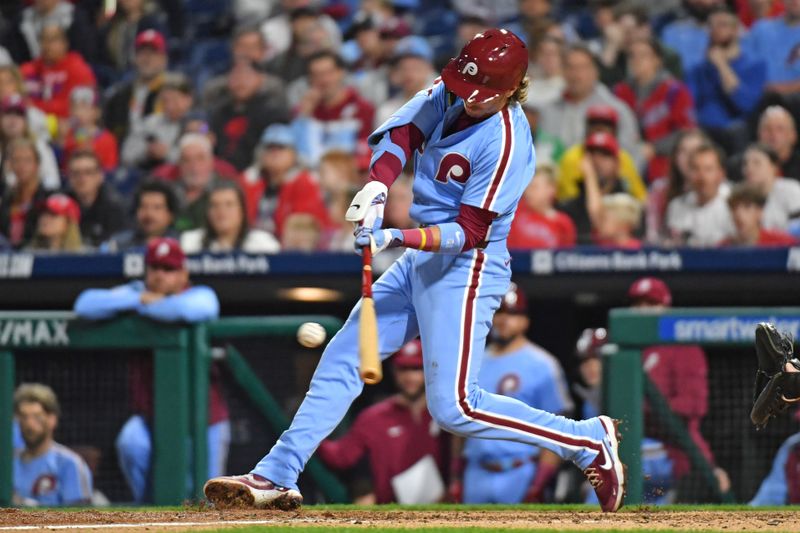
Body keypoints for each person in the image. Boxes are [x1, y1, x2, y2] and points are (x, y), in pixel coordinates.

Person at [204, 28, 626, 514]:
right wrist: (379, 187)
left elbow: (469, 231)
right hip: (423, 258)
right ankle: (277, 472)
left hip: (467, 267)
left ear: (511, 89)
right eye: (465, 87)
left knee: (455, 407)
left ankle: (586, 440)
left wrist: (395, 237)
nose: (466, 99)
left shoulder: (507, 141)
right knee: (344, 354)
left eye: (481, 94)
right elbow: (403, 132)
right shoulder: (456, 87)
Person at [74, 237, 227, 503]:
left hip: (204, 420)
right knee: (130, 442)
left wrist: (146, 304)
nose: (160, 276)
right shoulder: (136, 292)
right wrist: (139, 299)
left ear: (183, 273)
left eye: (168, 270)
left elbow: (197, 309)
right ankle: (148, 509)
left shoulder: (199, 293)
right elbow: (85, 304)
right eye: (154, 268)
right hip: (150, 418)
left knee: (208, 496)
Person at [454, 284, 573, 504]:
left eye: (512, 313)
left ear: (525, 321)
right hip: (476, 471)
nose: (503, 319)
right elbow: (458, 423)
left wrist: (540, 483)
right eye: (498, 312)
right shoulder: (471, 361)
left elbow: (557, 430)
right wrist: (455, 476)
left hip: (522, 470)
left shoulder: (543, 365)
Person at [628, 277, 731, 499]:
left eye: (651, 304)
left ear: (665, 307)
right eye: (638, 304)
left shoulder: (682, 347)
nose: (643, 310)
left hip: (672, 449)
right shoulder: (629, 348)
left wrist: (643, 407)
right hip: (637, 443)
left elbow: (693, 405)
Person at [316, 339, 450, 504]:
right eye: (403, 369)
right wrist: (311, 432)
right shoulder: (374, 417)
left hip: (441, 508)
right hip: (391, 511)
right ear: (394, 371)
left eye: (416, 369)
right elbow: (340, 456)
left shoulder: (445, 413)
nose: (409, 376)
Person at [538, 44, 642, 165]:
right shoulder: (549, 110)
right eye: (570, 67)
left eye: (582, 67)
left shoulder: (616, 110)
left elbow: (631, 157)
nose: (575, 74)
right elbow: (543, 152)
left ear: (595, 72)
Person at [614, 38, 696, 181]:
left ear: (657, 60)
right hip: (627, 159)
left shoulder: (674, 91)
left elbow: (687, 132)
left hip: (665, 162)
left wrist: (655, 148)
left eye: (643, 55)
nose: (637, 60)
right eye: (632, 56)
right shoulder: (621, 92)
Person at [686, 8, 766, 154]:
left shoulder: (755, 65)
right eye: (711, 26)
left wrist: (722, 66)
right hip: (705, 132)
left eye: (722, 25)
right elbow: (690, 107)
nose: (715, 30)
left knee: (737, 130)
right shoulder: (697, 69)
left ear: (736, 30)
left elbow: (745, 105)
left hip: (738, 133)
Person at [238, 124, 330, 242]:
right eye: (270, 147)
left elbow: (305, 227)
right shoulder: (248, 181)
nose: (275, 153)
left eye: (281, 147)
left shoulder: (305, 183)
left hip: (289, 248)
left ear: (293, 153)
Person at [12, 383, 93, 506]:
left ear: (52, 420)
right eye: (24, 417)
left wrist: (24, 504)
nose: (29, 424)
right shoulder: (8, 462)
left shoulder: (70, 464)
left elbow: (81, 520)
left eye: (37, 417)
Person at [292, 51, 375, 169]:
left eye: (328, 73)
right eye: (316, 75)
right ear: (309, 79)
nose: (324, 80)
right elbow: (295, 152)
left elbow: (367, 152)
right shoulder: (304, 110)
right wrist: (304, 116)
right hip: (313, 174)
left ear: (341, 73)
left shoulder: (362, 108)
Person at [208, 57, 289, 171]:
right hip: (219, 172)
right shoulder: (220, 111)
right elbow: (208, 132)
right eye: (235, 76)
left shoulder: (272, 111)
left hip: (256, 172)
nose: (240, 82)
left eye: (246, 76)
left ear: (260, 79)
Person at [557, 105, 646, 204]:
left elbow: (640, 198)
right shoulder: (572, 157)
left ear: (614, 130)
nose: (600, 129)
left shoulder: (623, 157)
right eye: (594, 124)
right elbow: (567, 198)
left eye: (606, 125)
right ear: (587, 128)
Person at [561, 132, 637, 243]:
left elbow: (599, 218)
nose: (597, 161)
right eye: (592, 155)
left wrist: (590, 178)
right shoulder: (569, 209)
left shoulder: (629, 204)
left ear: (617, 164)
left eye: (605, 155)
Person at [20, 24, 96, 121]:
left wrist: (35, 106)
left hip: (67, 125)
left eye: (53, 40)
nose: (47, 45)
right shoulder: (27, 70)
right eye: (43, 39)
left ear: (65, 43)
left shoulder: (78, 69)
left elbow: (76, 108)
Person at [104, 29, 168, 143]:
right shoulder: (120, 96)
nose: (147, 58)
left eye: (153, 53)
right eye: (142, 52)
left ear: (163, 59)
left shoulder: (173, 92)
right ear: (135, 58)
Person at [180, 181, 280, 254]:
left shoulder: (263, 244)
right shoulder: (190, 242)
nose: (221, 211)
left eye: (229, 205)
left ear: (242, 211)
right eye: (214, 205)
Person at [666, 141, 734, 246]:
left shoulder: (734, 205)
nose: (701, 177)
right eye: (695, 169)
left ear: (721, 174)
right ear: (688, 173)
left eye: (708, 169)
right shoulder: (676, 205)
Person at [121, 72, 194, 171]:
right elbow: (126, 155)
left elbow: (199, 159)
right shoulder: (149, 123)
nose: (169, 106)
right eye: (165, 101)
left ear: (188, 99)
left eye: (175, 100)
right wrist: (147, 151)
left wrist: (167, 153)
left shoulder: (197, 121)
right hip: (151, 175)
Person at [3, 0, 97, 64]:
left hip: (67, 71)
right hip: (32, 76)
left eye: (53, 39)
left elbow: (85, 54)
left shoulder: (75, 17)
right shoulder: (21, 21)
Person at [66, 149, 126, 247]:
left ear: (100, 176)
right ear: (69, 178)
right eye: (76, 173)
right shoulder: (61, 206)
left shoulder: (114, 208)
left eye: (88, 172)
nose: (82, 178)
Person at [507, 164, 576, 249]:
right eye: (527, 187)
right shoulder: (515, 212)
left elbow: (566, 257)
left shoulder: (563, 223)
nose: (528, 192)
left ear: (551, 189)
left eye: (534, 187)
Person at [0, 94, 60, 191]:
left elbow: (52, 181)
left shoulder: (39, 146)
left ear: (26, 121)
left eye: (18, 114)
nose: (12, 119)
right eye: (8, 113)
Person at [103, 179, 178, 251]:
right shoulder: (118, 244)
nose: (149, 213)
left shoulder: (181, 245)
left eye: (157, 208)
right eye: (143, 207)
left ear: (170, 215)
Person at [0, 138, 49, 248]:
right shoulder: (6, 198)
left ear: (37, 164)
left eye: (27, 160)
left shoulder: (48, 198)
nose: (21, 166)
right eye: (16, 160)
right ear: (10, 165)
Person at [56, 86, 118, 173]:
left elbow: (110, 170)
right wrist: (60, 140)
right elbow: (61, 167)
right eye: (74, 107)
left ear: (97, 112)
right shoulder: (66, 135)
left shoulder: (107, 139)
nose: (77, 112)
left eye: (84, 107)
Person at [172, 133, 226, 232]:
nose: (194, 166)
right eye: (186, 160)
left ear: (211, 161)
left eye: (200, 159)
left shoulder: (225, 192)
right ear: (179, 164)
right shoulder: (170, 192)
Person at [742, 143, 800, 230]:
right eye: (746, 164)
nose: (749, 168)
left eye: (756, 163)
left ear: (774, 167)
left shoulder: (791, 189)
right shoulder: (740, 196)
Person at [720, 183, 797, 246]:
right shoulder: (723, 248)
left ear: (759, 212)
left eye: (747, 207)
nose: (739, 214)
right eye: (734, 208)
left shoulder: (783, 243)